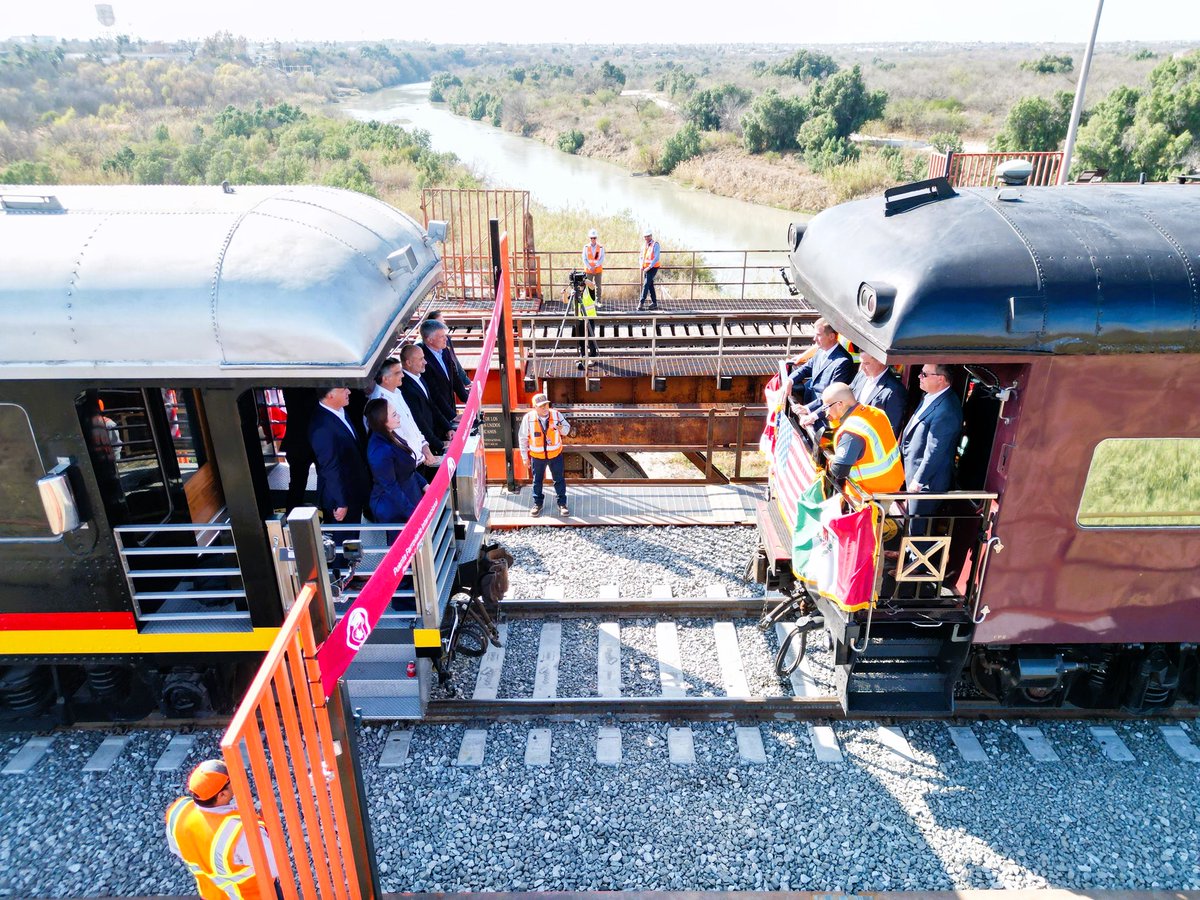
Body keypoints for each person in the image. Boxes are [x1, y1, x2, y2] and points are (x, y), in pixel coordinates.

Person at [166, 759, 281, 900]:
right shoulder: (241, 832)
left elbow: (178, 850)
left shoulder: (178, 810)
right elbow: (274, 867)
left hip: (210, 895)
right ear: (222, 795)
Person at [900, 363, 964, 530]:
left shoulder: (946, 409)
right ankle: (909, 554)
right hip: (912, 473)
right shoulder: (931, 395)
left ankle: (917, 556)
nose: (919, 377)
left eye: (924, 374)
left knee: (918, 530)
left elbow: (935, 451)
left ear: (941, 379)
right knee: (910, 524)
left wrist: (919, 480)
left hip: (926, 483)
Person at [819, 383, 905, 497]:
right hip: (892, 484)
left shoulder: (852, 430)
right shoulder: (875, 412)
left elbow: (839, 471)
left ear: (840, 404)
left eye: (826, 407)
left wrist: (833, 458)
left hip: (869, 494)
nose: (826, 413)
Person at [308, 386, 370, 538]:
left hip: (353, 492)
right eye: (343, 389)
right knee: (342, 545)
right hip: (341, 499)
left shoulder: (339, 411)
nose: (349, 391)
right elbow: (330, 468)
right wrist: (340, 502)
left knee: (352, 542)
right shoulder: (321, 428)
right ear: (330, 395)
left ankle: (351, 562)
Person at [800, 349, 906, 436]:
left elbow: (890, 431)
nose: (862, 367)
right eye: (861, 363)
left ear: (881, 361)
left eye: (866, 363)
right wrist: (814, 415)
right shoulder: (861, 376)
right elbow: (839, 397)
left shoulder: (895, 390)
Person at [364, 397, 428, 526]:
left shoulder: (390, 434)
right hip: (395, 508)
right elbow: (390, 487)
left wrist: (424, 485)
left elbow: (407, 469)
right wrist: (412, 513)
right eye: (394, 415)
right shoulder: (379, 450)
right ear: (382, 420)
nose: (398, 416)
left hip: (410, 496)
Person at [369, 355, 442, 465]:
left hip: (418, 458)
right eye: (398, 373)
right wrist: (421, 456)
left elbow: (411, 424)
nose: (403, 375)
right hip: (407, 463)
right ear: (385, 379)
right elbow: (396, 437)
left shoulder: (397, 392)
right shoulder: (380, 401)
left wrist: (424, 446)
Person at [519, 393, 571, 517]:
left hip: (555, 455)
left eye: (546, 405)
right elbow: (522, 438)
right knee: (537, 481)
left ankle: (562, 504)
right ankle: (537, 504)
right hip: (537, 457)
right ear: (535, 407)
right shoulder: (528, 418)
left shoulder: (556, 415)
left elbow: (567, 430)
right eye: (541, 406)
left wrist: (560, 428)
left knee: (559, 480)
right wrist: (525, 458)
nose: (545, 408)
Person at [398, 344, 453, 460]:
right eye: (421, 359)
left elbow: (432, 405)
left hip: (434, 437)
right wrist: (439, 444)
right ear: (408, 363)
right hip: (426, 446)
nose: (425, 362)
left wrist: (448, 427)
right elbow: (419, 420)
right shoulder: (405, 387)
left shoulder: (419, 377)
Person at [789, 317, 854, 405]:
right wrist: (790, 380)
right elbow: (806, 368)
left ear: (831, 336)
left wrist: (808, 410)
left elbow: (833, 396)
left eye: (818, 335)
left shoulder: (843, 362)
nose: (814, 339)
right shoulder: (821, 350)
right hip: (810, 400)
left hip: (822, 410)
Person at [420, 319, 468, 427]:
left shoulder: (445, 350)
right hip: (437, 417)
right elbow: (434, 393)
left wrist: (467, 399)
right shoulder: (423, 359)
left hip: (450, 407)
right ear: (430, 340)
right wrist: (452, 416)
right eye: (441, 336)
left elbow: (454, 377)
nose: (446, 339)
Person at [279, 387, 319, 513]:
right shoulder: (315, 390)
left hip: (296, 440)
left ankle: (291, 515)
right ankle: (328, 517)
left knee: (297, 483)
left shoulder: (289, 387)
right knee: (325, 481)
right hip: (316, 439)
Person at [424, 310, 470, 388]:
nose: (443, 326)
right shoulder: (420, 347)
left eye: (443, 322)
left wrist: (466, 381)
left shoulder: (446, 340)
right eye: (439, 324)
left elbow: (454, 362)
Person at [570, 270, 599, 369]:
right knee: (581, 339)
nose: (580, 285)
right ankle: (583, 356)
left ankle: (593, 358)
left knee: (590, 338)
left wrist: (584, 279)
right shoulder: (575, 291)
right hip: (579, 318)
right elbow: (566, 301)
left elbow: (592, 285)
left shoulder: (588, 290)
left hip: (589, 317)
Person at [636, 228, 660, 311]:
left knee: (646, 284)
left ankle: (641, 304)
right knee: (650, 285)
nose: (646, 238)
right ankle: (654, 303)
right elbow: (641, 257)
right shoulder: (644, 245)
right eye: (645, 237)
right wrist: (641, 265)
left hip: (653, 268)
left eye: (647, 236)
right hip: (645, 268)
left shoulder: (655, 244)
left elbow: (656, 258)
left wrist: (649, 267)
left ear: (651, 236)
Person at [582, 228, 604, 308]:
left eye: (594, 238)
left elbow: (602, 258)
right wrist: (590, 267)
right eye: (591, 238)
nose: (593, 239)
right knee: (588, 286)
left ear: (596, 238)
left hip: (597, 270)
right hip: (588, 270)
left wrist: (595, 266)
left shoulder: (600, 247)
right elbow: (584, 258)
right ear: (589, 238)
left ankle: (598, 302)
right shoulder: (586, 247)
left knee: (598, 286)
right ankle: (589, 301)